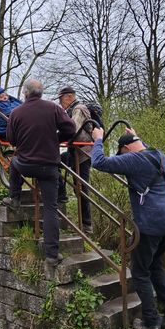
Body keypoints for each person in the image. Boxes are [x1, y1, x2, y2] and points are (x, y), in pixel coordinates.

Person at [91, 127, 165, 329]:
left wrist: (98, 139)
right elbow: (139, 146)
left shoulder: (134, 160)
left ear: (126, 149)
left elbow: (98, 162)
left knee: (140, 272)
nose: (123, 159)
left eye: (122, 153)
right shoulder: (159, 155)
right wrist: (135, 135)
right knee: (155, 266)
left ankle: (151, 323)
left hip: (150, 225)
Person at [4, 79, 76, 269]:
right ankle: (52, 256)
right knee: (50, 209)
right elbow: (71, 129)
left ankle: (14, 197)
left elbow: (10, 139)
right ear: (41, 93)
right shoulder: (53, 108)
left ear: (25, 94)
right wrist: (56, 139)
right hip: (49, 165)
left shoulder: (16, 112)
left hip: (26, 164)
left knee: (14, 164)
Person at [56, 86, 94, 233]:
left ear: (69, 97)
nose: (60, 103)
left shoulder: (78, 109)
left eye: (61, 99)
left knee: (82, 186)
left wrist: (56, 137)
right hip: (75, 152)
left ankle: (87, 224)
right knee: (54, 162)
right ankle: (62, 194)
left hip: (83, 153)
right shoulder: (71, 110)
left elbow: (73, 129)